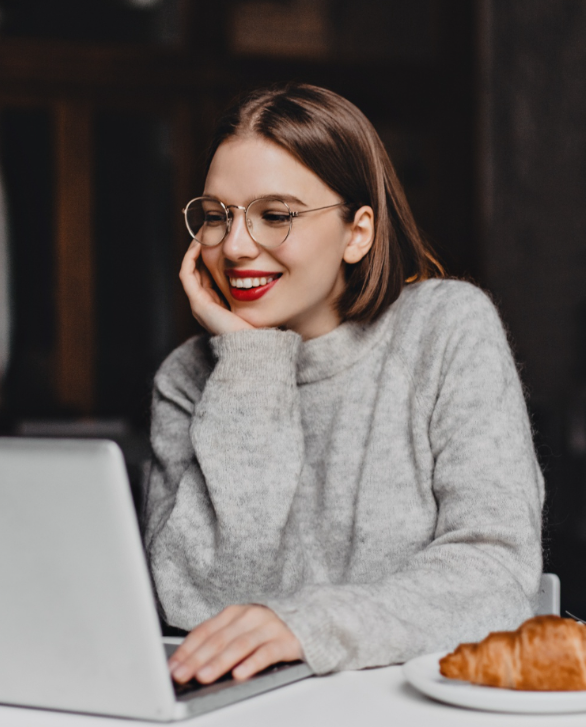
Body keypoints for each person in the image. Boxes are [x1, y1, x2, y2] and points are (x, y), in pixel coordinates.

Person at [143, 83, 544, 686]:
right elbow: (193, 603)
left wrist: (308, 625)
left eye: (274, 216)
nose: (235, 246)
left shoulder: (445, 328)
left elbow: (497, 568)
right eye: (217, 217)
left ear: (358, 232)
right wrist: (250, 364)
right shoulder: (185, 379)